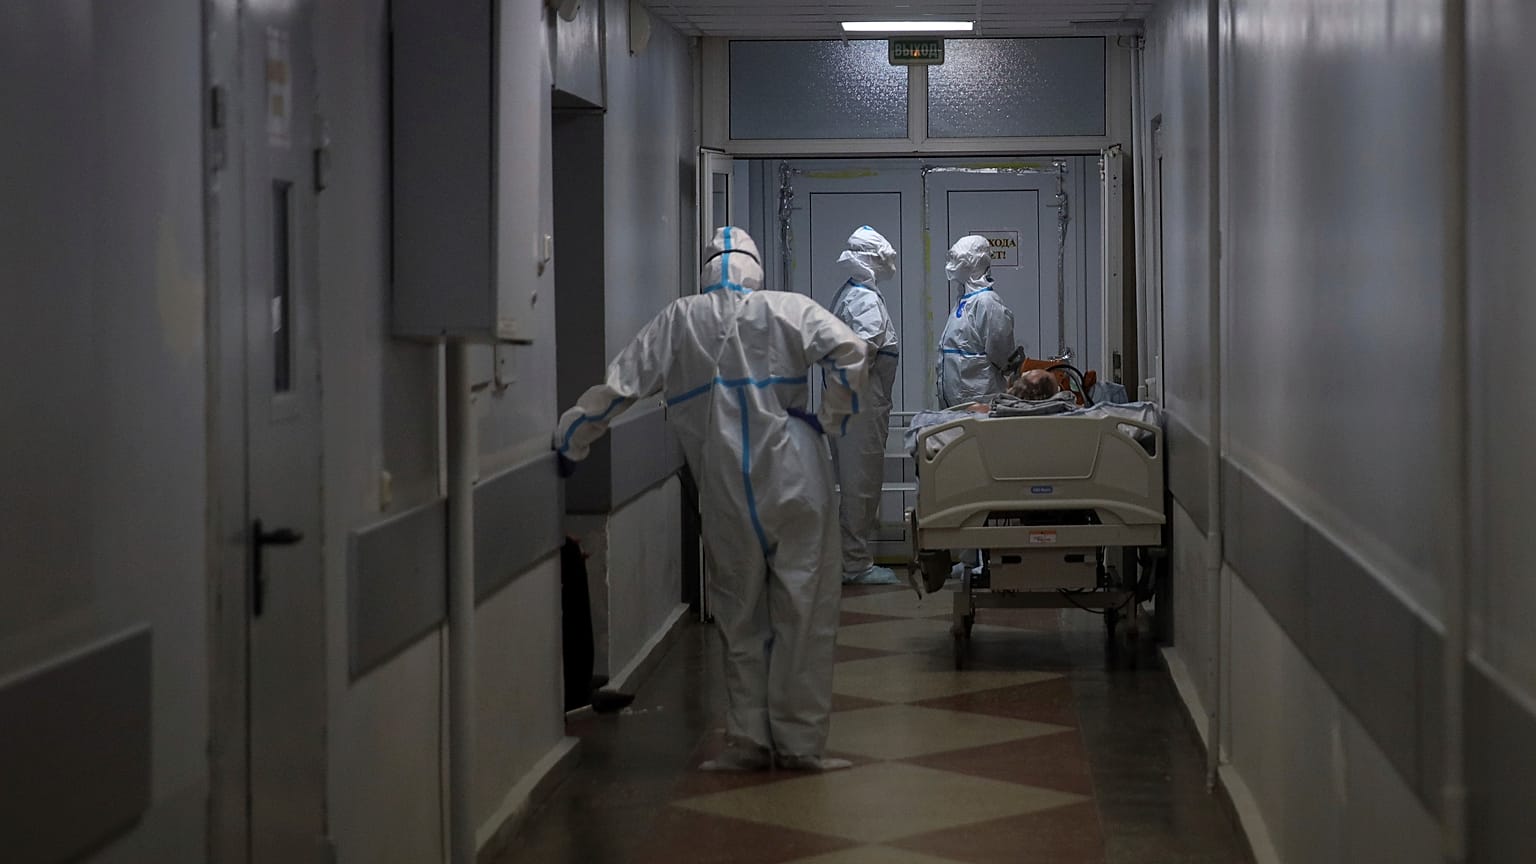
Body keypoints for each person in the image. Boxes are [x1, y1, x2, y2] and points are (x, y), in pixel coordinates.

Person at [554, 227, 870, 773]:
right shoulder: (788, 308)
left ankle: (750, 741)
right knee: (805, 610)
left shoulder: (680, 318)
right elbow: (851, 350)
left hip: (725, 483)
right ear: (755, 268)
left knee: (739, 613)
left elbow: (621, 384)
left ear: (707, 271)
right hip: (796, 474)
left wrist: (572, 438)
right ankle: (799, 745)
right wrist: (831, 420)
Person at [828, 226, 901, 586]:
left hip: (848, 406)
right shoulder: (865, 301)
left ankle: (850, 559)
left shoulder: (853, 293)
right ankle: (856, 564)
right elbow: (861, 357)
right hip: (859, 409)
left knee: (853, 485)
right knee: (861, 486)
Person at [936, 235, 1018, 407]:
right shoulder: (965, 301)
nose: (952, 264)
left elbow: (1003, 356)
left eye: (958, 259)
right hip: (959, 404)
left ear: (975, 262)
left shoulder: (987, 302)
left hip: (979, 403)